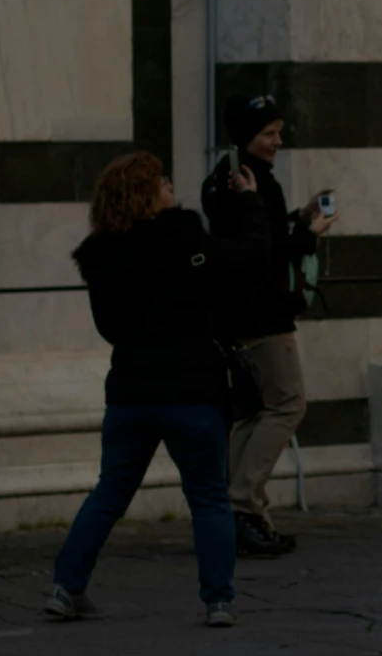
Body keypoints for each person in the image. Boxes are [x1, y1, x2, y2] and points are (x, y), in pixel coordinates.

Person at [50, 152, 266, 628]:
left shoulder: (101, 256)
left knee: (109, 493)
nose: (172, 186)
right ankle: (218, 600)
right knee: (208, 496)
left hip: (129, 391)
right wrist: (249, 203)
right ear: (147, 197)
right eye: (163, 182)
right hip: (192, 389)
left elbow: (108, 327)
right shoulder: (187, 239)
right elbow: (250, 256)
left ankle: (67, 588)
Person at [204, 94, 330, 556]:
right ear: (246, 136)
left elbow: (260, 233)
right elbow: (265, 252)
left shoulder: (225, 177)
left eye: (279, 130)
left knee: (254, 411)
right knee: (288, 403)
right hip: (262, 313)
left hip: (236, 312)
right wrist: (310, 234)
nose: (279, 140)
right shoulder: (251, 182)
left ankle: (229, 509)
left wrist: (297, 216)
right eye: (269, 133)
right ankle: (244, 505)